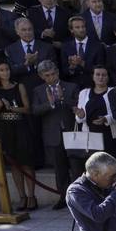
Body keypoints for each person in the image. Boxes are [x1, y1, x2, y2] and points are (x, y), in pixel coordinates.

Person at [30, 59, 80, 208]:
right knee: (60, 169)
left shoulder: (71, 86)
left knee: (76, 166)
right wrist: (50, 104)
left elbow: (79, 105)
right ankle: (64, 197)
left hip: (72, 132)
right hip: (53, 135)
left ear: (57, 72)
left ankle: (80, 196)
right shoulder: (38, 91)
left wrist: (63, 99)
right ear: (41, 76)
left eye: (53, 74)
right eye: (47, 75)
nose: (51, 78)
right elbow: (35, 111)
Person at [0, 59, 36, 210]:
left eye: (7, 69)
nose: (5, 72)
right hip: (5, 129)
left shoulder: (19, 86)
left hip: (20, 127)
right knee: (14, 165)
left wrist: (12, 108)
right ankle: (22, 197)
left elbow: (28, 109)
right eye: (2, 70)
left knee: (26, 163)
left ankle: (32, 196)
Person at [75, 66, 116, 162]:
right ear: (93, 77)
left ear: (108, 77)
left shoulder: (115, 91)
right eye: (98, 74)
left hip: (110, 135)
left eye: (104, 75)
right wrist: (80, 115)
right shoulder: (84, 93)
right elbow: (79, 118)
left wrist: (106, 119)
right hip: (91, 136)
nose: (101, 77)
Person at [6, 17, 57, 84]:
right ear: (17, 31)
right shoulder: (10, 49)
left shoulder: (47, 47)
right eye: (23, 30)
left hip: (43, 86)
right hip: (22, 87)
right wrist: (26, 65)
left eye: (30, 29)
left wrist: (36, 63)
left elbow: (54, 67)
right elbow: (10, 71)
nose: (27, 32)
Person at [61, 16, 105, 91]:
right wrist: (71, 67)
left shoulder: (97, 46)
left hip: (92, 86)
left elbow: (101, 68)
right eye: (77, 27)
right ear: (71, 30)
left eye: (83, 27)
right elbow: (64, 70)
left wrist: (82, 63)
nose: (81, 30)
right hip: (73, 88)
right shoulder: (66, 46)